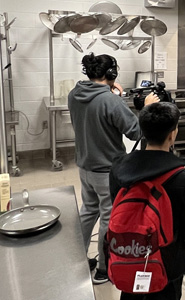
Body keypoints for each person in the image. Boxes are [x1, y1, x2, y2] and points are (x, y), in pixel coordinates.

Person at [68, 53, 159, 284]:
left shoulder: (75, 94)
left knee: (88, 212)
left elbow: (98, 113)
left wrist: (114, 94)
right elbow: (136, 131)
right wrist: (146, 108)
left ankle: (76, 260)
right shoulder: (110, 101)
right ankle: (103, 269)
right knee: (109, 218)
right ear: (111, 74)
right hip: (106, 170)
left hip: (85, 166)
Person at [110, 102, 185, 300]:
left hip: (127, 255)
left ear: (142, 131)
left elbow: (114, 207)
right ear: (172, 134)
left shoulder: (118, 170)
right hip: (167, 262)